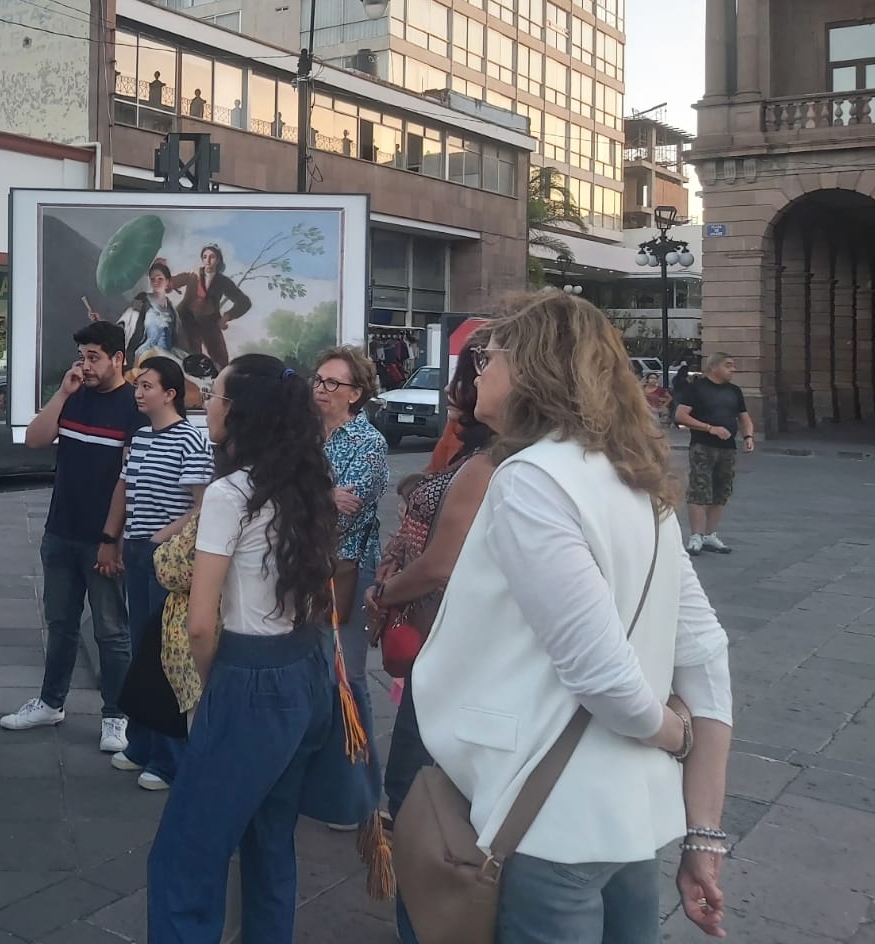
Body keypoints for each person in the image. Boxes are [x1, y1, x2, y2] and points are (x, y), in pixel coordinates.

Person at [413, 291, 734, 943]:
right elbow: (704, 654)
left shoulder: (531, 478)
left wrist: (673, 734)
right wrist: (703, 833)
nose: (477, 371)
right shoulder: (636, 482)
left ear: (531, 370)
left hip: (548, 817)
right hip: (628, 822)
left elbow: (603, 675)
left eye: (487, 355)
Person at [147, 356, 379, 943]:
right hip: (305, 668)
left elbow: (202, 624)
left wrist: (208, 695)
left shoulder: (231, 493)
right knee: (270, 841)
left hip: (249, 679)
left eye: (215, 396)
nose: (207, 405)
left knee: (186, 855)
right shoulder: (308, 483)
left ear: (241, 412)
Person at [366, 334, 495, 944]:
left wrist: (388, 592)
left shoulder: (488, 462)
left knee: (418, 791)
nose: (451, 391)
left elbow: (444, 562)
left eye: (469, 376)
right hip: (440, 632)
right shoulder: (469, 452)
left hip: (449, 640)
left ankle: (423, 922)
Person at [1, 321, 147, 753]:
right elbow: (34, 440)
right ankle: (50, 702)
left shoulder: (132, 408)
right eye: (83, 356)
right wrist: (63, 393)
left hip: (102, 538)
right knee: (60, 624)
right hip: (60, 530)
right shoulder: (75, 396)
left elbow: (131, 480)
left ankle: (116, 716)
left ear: (119, 359)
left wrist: (113, 539)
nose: (86, 365)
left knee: (111, 631)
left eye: (95, 357)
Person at [103, 356, 214, 791]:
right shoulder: (142, 438)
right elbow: (127, 489)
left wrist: (160, 539)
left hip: (167, 557)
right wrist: (114, 537)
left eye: (148, 385)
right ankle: (141, 743)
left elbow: (202, 505)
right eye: (138, 385)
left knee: (168, 654)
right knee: (140, 648)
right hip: (137, 550)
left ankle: (169, 758)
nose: (139, 392)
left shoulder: (190, 439)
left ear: (170, 394)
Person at [312, 344, 390, 826]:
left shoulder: (369, 443)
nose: (320, 389)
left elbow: (347, 512)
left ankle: (361, 795)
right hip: (301, 568)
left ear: (356, 394)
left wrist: (304, 497)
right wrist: (319, 495)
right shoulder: (303, 436)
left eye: (332, 383)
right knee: (316, 677)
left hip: (346, 570)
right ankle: (324, 783)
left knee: (348, 678)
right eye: (318, 380)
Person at [674, 353, 754, 557]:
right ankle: (696, 536)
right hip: (703, 445)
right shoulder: (696, 388)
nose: (733, 369)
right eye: (728, 365)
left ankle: (710, 534)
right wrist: (709, 428)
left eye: (733, 365)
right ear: (714, 368)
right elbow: (681, 416)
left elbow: (744, 418)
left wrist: (748, 436)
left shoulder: (734, 391)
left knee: (722, 490)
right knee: (700, 489)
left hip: (728, 448)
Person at [171, 246, 252, 370]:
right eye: (205, 257)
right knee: (191, 356)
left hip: (209, 321)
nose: (208, 260)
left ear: (218, 260)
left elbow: (244, 302)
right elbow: (171, 282)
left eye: (212, 257)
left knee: (221, 361)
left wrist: (227, 316)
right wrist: (164, 277)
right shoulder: (194, 274)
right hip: (188, 319)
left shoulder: (222, 281)